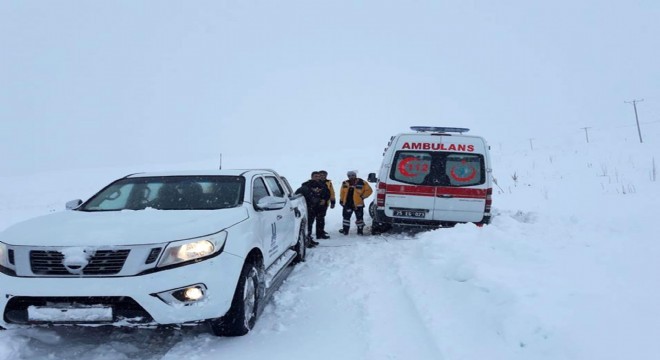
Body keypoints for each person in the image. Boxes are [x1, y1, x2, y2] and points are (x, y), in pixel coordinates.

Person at [295, 171, 330, 247]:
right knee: (309, 225)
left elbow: (327, 193)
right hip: (310, 208)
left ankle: (317, 235)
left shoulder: (323, 185)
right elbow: (298, 194)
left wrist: (324, 199)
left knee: (320, 221)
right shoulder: (306, 185)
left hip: (320, 207)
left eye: (318, 176)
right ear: (312, 177)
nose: (317, 178)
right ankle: (307, 240)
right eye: (315, 176)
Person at [339, 170, 373, 235]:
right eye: (349, 176)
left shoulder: (362, 182)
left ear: (355, 175)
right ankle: (345, 230)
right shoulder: (345, 183)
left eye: (352, 175)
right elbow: (342, 193)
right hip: (347, 203)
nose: (351, 177)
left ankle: (360, 231)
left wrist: (362, 197)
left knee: (359, 218)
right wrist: (341, 200)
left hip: (358, 204)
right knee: (346, 218)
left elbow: (369, 190)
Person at [317, 170, 336, 238]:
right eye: (321, 175)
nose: (322, 176)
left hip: (325, 203)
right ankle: (319, 233)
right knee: (319, 218)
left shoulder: (328, 183)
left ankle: (321, 230)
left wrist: (333, 202)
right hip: (316, 203)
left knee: (322, 218)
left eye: (324, 175)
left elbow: (332, 192)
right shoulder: (315, 182)